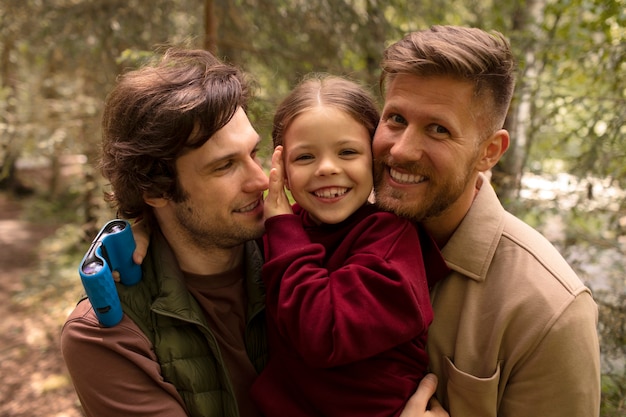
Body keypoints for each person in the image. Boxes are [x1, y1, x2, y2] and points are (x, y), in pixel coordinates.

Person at [374, 26, 601, 417]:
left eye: (438, 129)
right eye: (395, 118)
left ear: (489, 152)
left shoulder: (548, 312)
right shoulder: (332, 235)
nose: (403, 149)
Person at [61, 48, 270, 417]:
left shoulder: (305, 253)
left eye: (254, 153)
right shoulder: (105, 334)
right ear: (156, 190)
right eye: (225, 166)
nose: (261, 179)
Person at [249, 74, 448, 417]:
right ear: (281, 168)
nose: (327, 168)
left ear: (374, 158)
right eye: (305, 157)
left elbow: (322, 333)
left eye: (347, 152)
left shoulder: (391, 241)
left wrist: (282, 227)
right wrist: (142, 231)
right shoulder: (284, 230)